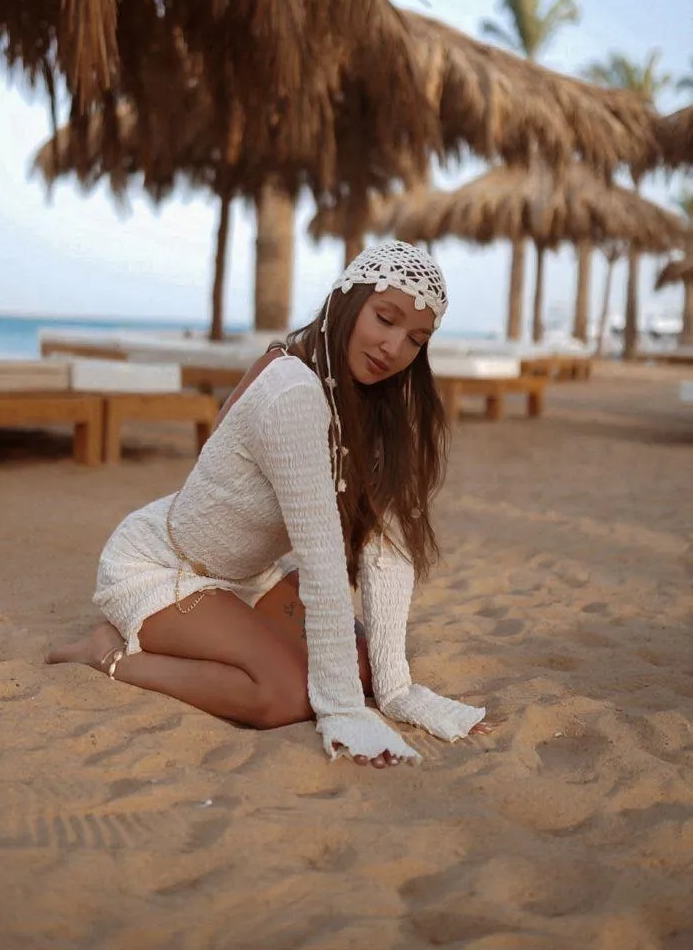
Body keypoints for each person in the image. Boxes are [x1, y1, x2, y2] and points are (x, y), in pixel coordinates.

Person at [47, 241, 489, 767]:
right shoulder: (292, 392)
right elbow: (322, 560)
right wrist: (343, 709)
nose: (393, 348)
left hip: (249, 575)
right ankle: (108, 654)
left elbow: (385, 549)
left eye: (415, 339)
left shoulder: (373, 407)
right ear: (347, 300)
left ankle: (207, 640)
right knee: (285, 696)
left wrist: (395, 693)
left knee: (366, 665)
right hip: (165, 567)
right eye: (385, 318)